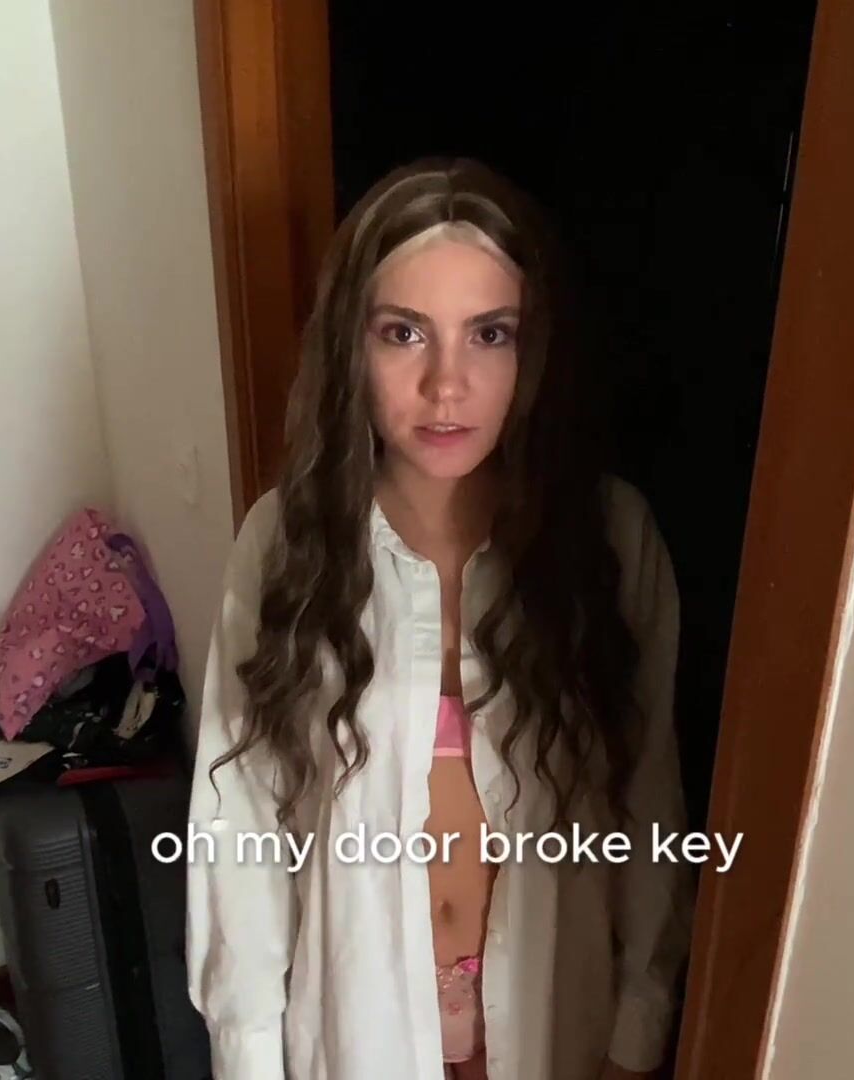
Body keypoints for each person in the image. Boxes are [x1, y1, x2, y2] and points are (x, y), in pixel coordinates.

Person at [185, 157, 694, 1080]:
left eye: (489, 334)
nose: (446, 384)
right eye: (404, 333)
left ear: (533, 351)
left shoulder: (611, 538)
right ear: (352, 347)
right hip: (364, 1034)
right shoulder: (285, 544)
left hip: (553, 1030)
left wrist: (639, 1027)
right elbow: (239, 825)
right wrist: (248, 1054)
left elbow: (650, 799)